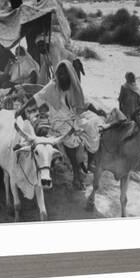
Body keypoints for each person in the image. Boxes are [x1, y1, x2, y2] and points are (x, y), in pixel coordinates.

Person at [15, 60, 104, 189]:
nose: (62, 76)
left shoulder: (74, 86)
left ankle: (91, 162)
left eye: (64, 74)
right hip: (58, 121)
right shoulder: (52, 86)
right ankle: (76, 175)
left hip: (74, 116)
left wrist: (96, 111)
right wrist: (22, 109)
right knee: (69, 138)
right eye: (60, 74)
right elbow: (37, 97)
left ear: (70, 74)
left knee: (93, 125)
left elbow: (82, 104)